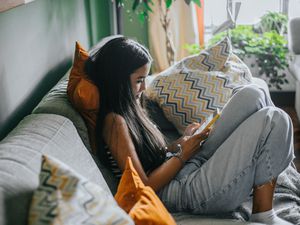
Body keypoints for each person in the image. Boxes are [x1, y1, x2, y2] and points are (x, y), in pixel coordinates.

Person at [85, 36, 294, 225]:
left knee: (253, 93)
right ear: (117, 80)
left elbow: (151, 155)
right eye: (139, 80)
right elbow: (144, 185)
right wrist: (184, 153)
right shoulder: (114, 122)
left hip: (180, 168)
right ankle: (263, 213)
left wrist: (182, 141)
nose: (143, 88)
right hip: (175, 192)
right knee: (275, 119)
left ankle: (265, 171)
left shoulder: (130, 108)